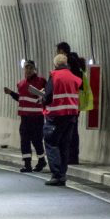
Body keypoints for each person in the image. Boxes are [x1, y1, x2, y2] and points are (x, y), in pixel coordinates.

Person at [40, 53, 81, 186]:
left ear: (56, 64)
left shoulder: (54, 76)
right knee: (64, 145)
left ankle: (56, 175)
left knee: (51, 144)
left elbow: (49, 96)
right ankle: (62, 175)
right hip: (71, 116)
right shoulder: (74, 77)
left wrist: (42, 97)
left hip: (56, 115)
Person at [3, 60, 47, 173]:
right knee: (25, 141)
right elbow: (21, 98)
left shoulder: (41, 81)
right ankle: (27, 164)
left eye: (30, 68)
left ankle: (41, 160)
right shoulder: (21, 84)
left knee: (37, 141)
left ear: (34, 69)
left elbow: (47, 95)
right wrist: (11, 93)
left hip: (37, 117)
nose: (28, 70)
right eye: (26, 68)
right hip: (25, 118)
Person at [55, 42, 92, 164]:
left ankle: (71, 156)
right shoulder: (75, 62)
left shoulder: (70, 63)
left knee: (70, 130)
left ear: (62, 51)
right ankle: (72, 156)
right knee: (72, 128)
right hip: (74, 101)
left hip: (71, 102)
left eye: (58, 52)